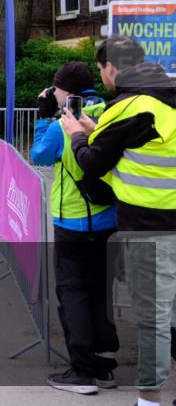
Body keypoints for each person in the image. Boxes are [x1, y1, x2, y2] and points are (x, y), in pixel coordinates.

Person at [61, 36, 176, 406]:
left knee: (153, 318)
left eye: (101, 69)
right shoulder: (168, 93)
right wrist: (100, 132)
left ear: (110, 67)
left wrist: (79, 135)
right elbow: (147, 143)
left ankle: (149, 400)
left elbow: (93, 164)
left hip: (151, 226)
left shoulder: (126, 107)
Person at [30, 62, 117, 395]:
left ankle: (82, 372)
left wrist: (43, 114)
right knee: (100, 291)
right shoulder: (108, 114)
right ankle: (105, 367)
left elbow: (39, 155)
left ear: (64, 91)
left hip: (73, 220)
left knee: (73, 292)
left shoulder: (62, 123)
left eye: (56, 89)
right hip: (108, 217)